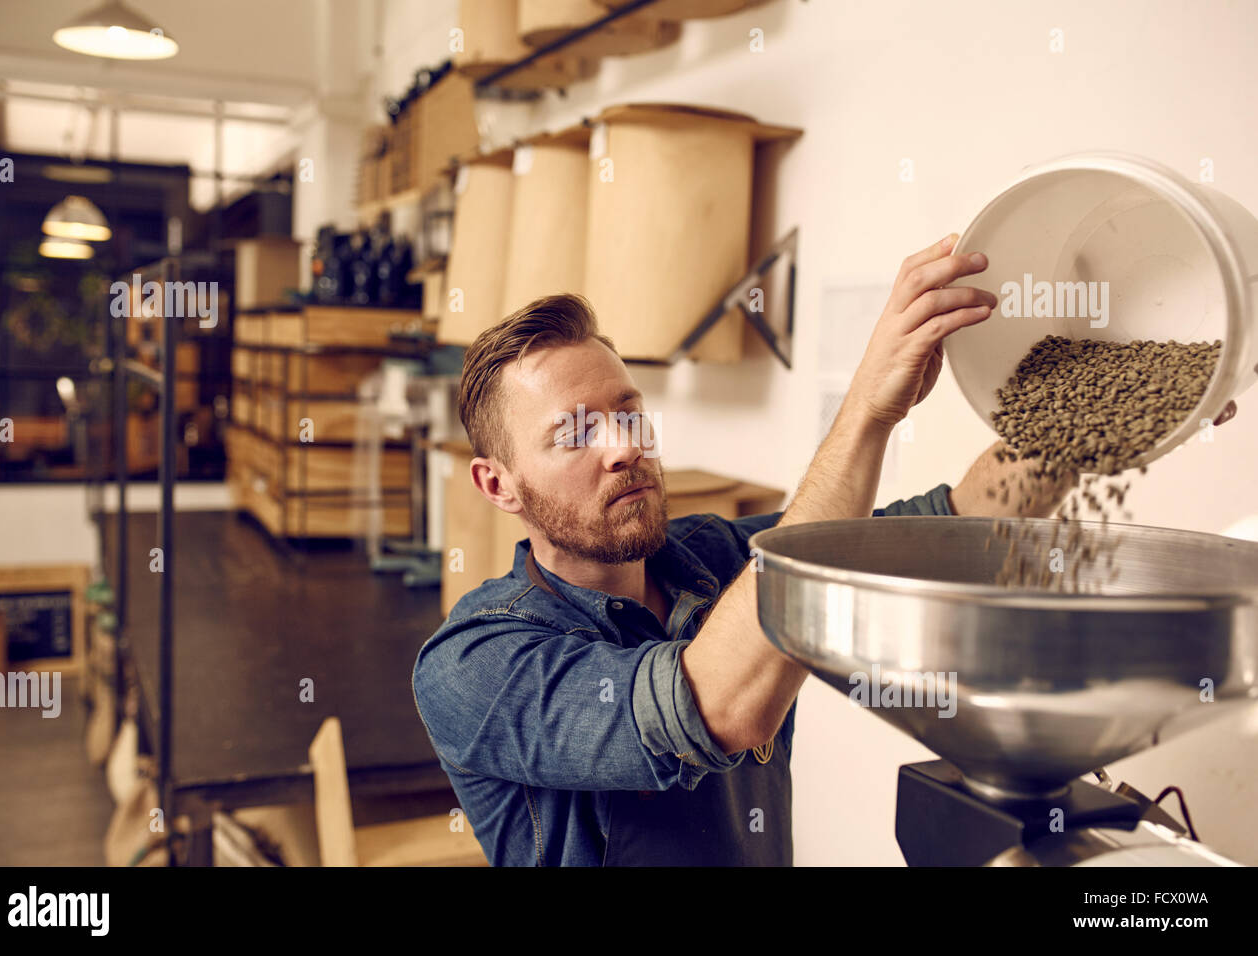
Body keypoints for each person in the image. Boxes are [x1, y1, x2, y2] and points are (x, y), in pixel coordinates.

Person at [411, 234, 1234, 866]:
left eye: (627, 414)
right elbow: (716, 706)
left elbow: (953, 529)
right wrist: (866, 413)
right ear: (497, 485)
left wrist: (1103, 403)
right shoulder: (475, 664)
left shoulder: (707, 560)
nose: (620, 447)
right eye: (575, 434)